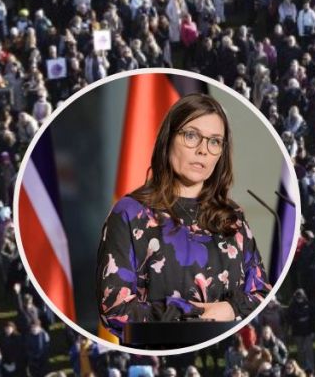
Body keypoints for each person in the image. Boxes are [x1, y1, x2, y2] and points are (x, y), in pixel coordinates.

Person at [96, 94, 270, 339]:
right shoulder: (130, 213)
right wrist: (192, 315)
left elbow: (261, 292)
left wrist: (230, 309)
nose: (202, 150)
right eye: (191, 136)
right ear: (168, 140)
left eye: (215, 141)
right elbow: (115, 309)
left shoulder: (233, 217)